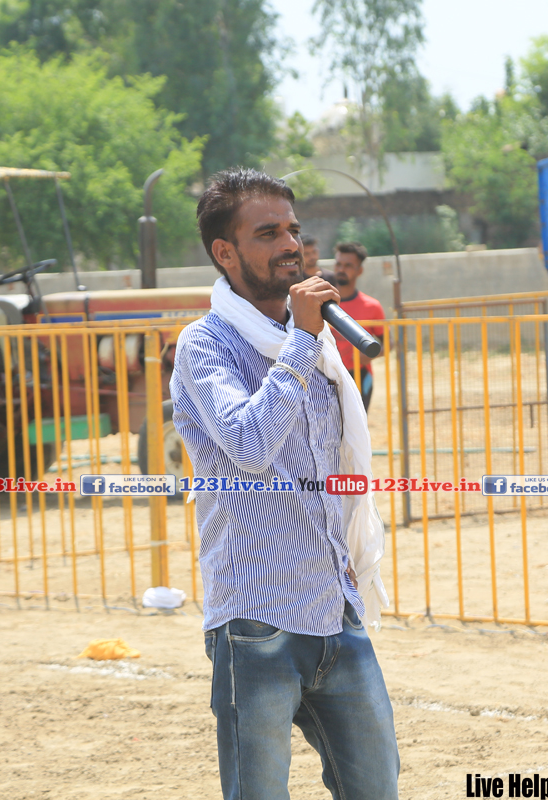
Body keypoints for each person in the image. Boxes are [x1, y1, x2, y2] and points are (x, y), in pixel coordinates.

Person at [171, 167, 398, 800]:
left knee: (377, 787)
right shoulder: (205, 345)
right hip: (256, 623)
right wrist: (302, 339)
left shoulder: (315, 343)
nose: (291, 245)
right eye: (268, 233)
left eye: (293, 229)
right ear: (225, 252)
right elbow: (250, 446)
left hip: (334, 612)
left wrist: (303, 339)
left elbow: (327, 470)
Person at [332, 241, 386, 410]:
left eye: (348, 265)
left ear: (359, 270)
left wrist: (370, 354)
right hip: (327, 377)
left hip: (359, 377)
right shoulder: (321, 303)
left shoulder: (372, 306)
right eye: (338, 264)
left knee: (357, 426)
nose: (341, 269)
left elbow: (388, 343)